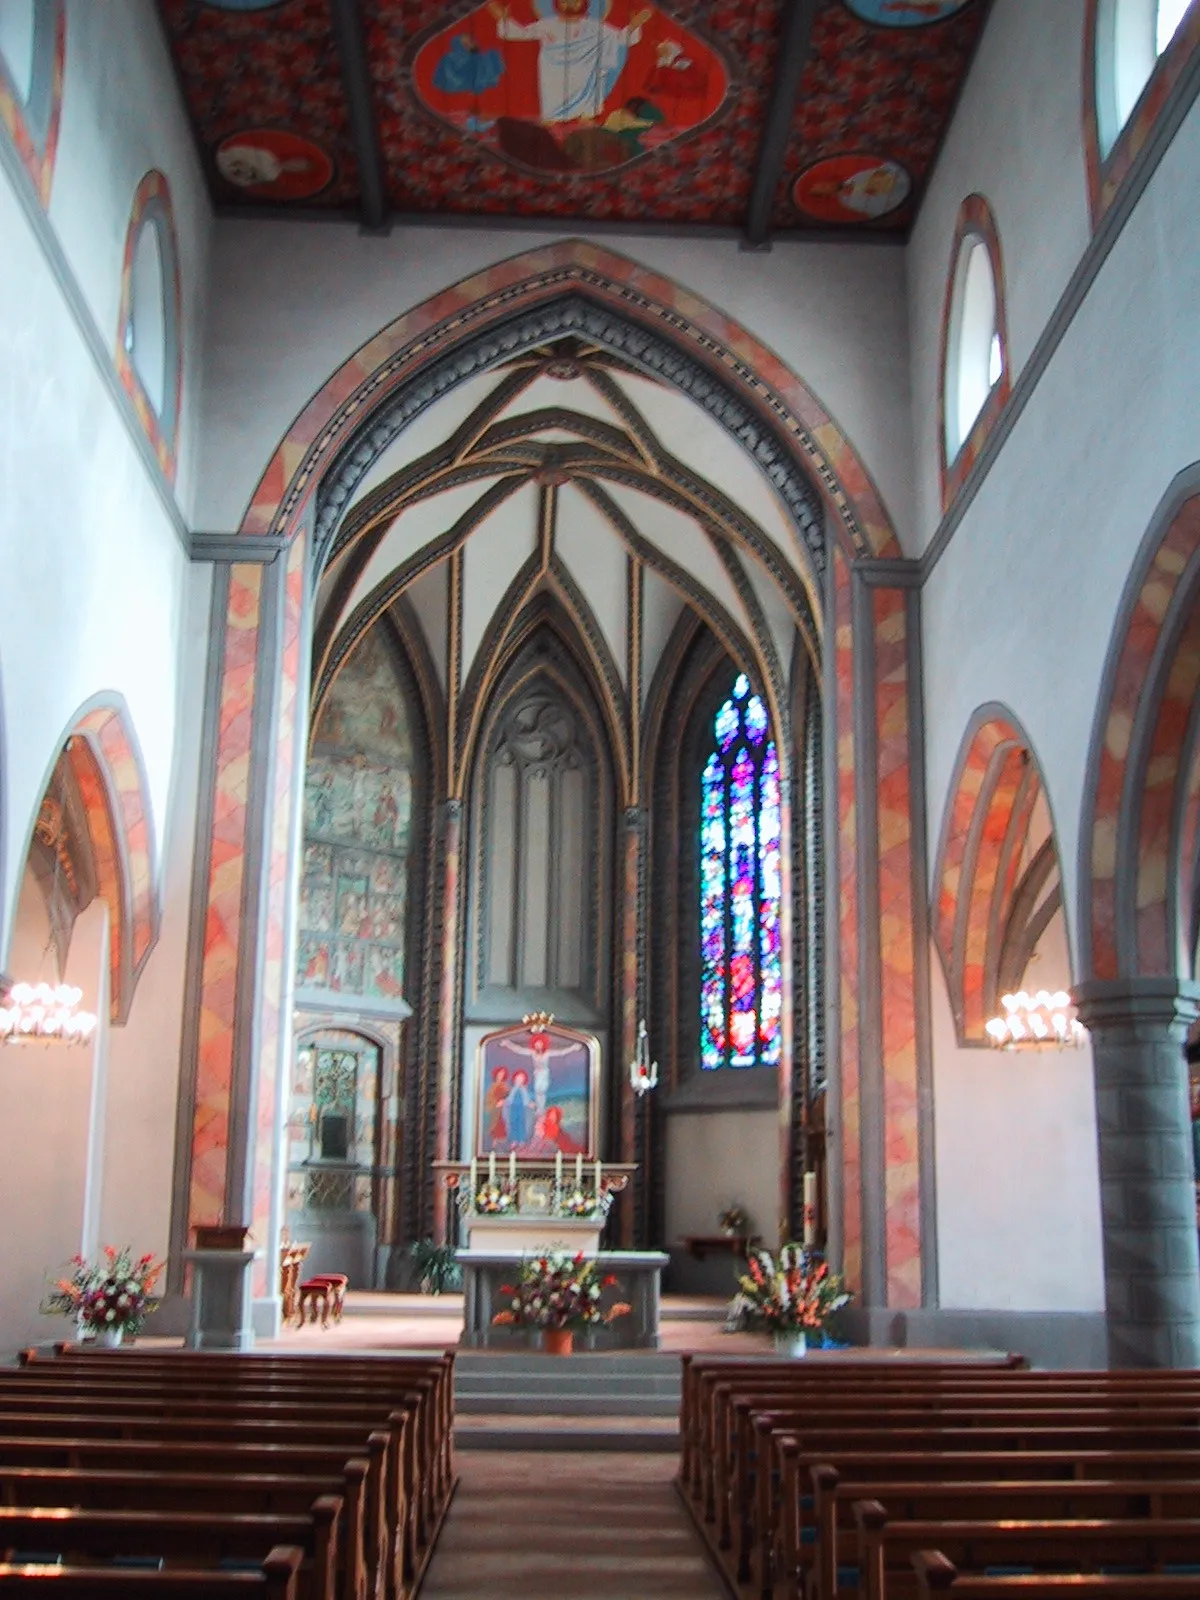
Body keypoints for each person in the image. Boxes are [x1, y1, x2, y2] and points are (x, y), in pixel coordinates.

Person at [488, 0, 652, 126]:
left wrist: (634, 25)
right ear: (557, 3)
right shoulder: (548, 24)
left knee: (587, 102)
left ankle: (586, 118)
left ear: (584, 3)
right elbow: (520, 33)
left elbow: (619, 38)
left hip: (584, 72)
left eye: (575, 0)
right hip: (553, 72)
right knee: (552, 98)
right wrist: (503, 18)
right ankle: (552, 119)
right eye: (565, 1)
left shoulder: (594, 25)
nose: (570, 4)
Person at [504, 1068, 535, 1148]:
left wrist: (530, 1104)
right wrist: (505, 1102)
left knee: (521, 1124)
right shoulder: (513, 1089)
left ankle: (521, 1140)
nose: (519, 1080)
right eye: (518, 1078)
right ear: (514, 1079)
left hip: (522, 1109)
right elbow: (509, 1098)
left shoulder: (524, 1090)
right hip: (513, 1108)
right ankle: (514, 1140)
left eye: (521, 1079)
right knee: (513, 1123)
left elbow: (527, 1099)